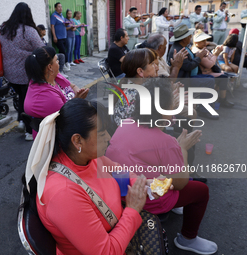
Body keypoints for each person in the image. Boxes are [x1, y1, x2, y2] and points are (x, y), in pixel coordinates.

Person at [24, 98, 161, 254]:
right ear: (77, 140)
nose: (109, 138)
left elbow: (119, 171)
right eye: (102, 133)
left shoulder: (88, 157)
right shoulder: (64, 194)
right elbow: (106, 251)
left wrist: (142, 184)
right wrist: (133, 209)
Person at [106, 79, 218, 255]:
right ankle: (187, 238)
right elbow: (181, 183)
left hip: (119, 191)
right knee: (200, 190)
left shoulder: (126, 123)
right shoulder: (167, 143)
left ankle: (177, 206)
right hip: (149, 199)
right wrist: (182, 149)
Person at [0, 2, 44, 141]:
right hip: (26, 73)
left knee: (22, 97)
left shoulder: (4, 30)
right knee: (27, 101)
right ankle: (29, 131)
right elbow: (41, 49)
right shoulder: (29, 31)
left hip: (10, 73)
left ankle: (22, 121)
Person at [24, 46, 88, 139]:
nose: (58, 62)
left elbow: (72, 86)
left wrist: (78, 93)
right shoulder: (47, 96)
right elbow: (66, 119)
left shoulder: (53, 75)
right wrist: (77, 100)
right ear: (49, 67)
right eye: (56, 60)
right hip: (55, 139)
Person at [168, 24, 222, 120]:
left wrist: (197, 55)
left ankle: (206, 106)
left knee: (210, 78)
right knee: (209, 81)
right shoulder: (179, 50)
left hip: (189, 77)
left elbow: (190, 60)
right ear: (183, 38)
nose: (190, 37)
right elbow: (188, 66)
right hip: (184, 80)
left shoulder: (183, 46)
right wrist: (199, 57)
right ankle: (204, 110)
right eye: (189, 36)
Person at [191, 30, 234, 108]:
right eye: (202, 41)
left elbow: (212, 54)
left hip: (209, 72)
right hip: (204, 74)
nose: (205, 42)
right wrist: (216, 54)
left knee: (224, 76)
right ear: (196, 42)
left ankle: (218, 98)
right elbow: (209, 65)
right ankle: (221, 99)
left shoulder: (202, 48)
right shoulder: (197, 51)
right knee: (223, 77)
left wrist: (213, 54)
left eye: (205, 40)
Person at [51, 2, 68, 67]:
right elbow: (52, 26)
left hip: (64, 36)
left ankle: (61, 65)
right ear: (55, 8)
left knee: (62, 51)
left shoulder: (62, 16)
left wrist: (66, 24)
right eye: (59, 7)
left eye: (61, 7)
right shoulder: (54, 16)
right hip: (59, 38)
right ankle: (64, 64)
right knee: (63, 52)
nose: (60, 8)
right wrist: (54, 36)